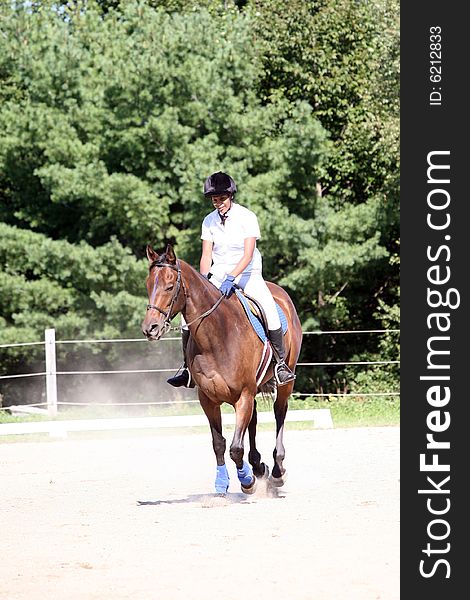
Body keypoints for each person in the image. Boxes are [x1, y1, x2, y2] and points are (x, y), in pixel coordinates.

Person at [167, 171, 296, 387]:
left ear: (230, 196)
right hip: (218, 275)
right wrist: (205, 281)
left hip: (248, 274)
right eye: (214, 200)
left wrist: (232, 277)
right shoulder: (208, 221)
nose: (218, 204)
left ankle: (280, 364)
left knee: (270, 310)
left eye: (222, 199)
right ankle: (188, 369)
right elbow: (206, 255)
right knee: (186, 317)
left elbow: (248, 254)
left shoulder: (247, 217)